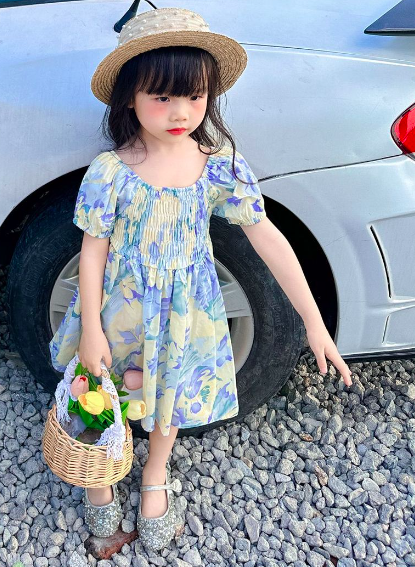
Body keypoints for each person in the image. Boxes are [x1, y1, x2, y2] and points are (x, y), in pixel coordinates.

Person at [48, 6, 353, 551]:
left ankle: (154, 475)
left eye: (194, 96)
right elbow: (92, 253)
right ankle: (98, 479)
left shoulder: (218, 164)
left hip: (187, 311)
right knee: (101, 388)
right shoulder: (112, 171)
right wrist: (91, 328)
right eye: (162, 96)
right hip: (119, 311)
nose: (180, 112)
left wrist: (314, 321)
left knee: (171, 391)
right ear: (130, 97)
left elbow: (267, 237)